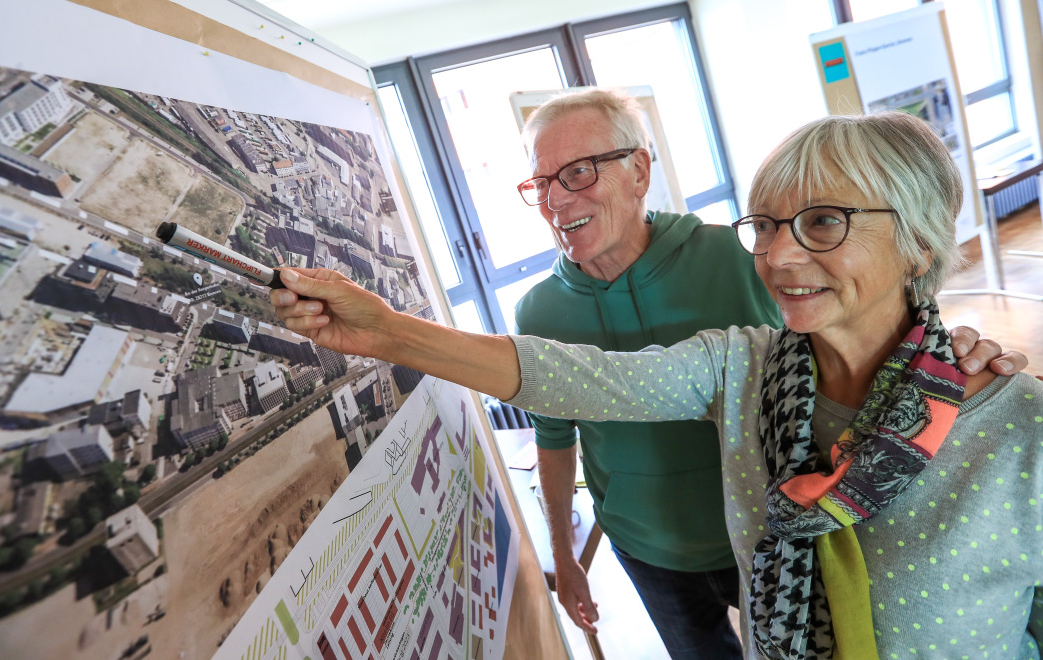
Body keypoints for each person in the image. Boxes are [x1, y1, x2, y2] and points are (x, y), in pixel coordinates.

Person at [271, 111, 1043, 659]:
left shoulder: (1020, 430)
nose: (777, 257)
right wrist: (386, 331)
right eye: (768, 226)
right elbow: (566, 378)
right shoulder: (739, 366)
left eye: (823, 222)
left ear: (916, 243)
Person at [515, 90, 1022, 658]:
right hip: (649, 549)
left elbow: (861, 312)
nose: (556, 197)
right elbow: (555, 433)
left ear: (638, 170)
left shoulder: (730, 257)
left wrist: (951, 360)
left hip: (762, 530)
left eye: (579, 172)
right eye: (541, 182)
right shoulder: (537, 313)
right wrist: (563, 554)